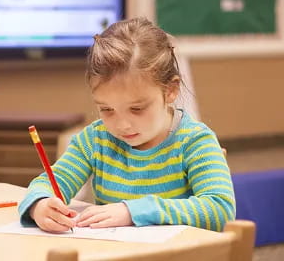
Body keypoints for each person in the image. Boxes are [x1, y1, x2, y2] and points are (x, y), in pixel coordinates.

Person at [19, 17, 235, 232]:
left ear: (170, 91)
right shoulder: (95, 140)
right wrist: (40, 204)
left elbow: (220, 210)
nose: (122, 125)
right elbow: (47, 183)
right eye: (107, 109)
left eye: (137, 109)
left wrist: (133, 211)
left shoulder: (194, 141)